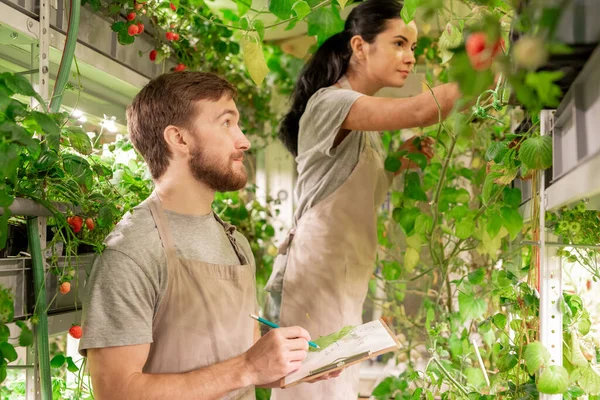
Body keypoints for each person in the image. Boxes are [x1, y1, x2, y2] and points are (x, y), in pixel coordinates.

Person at [79, 71, 336, 400]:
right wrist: (247, 367)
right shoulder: (132, 250)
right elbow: (117, 392)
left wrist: (295, 365)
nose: (243, 140)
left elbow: (238, 367)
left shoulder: (235, 243)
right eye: (226, 123)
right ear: (180, 139)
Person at [264, 0, 475, 398]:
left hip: (342, 272)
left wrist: (399, 163)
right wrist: (487, 69)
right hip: (319, 274)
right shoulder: (330, 102)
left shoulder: (365, 125)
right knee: (314, 389)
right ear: (360, 47)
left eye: (412, 47)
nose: (410, 57)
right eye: (399, 43)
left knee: (334, 386)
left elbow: (364, 194)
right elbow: (419, 108)